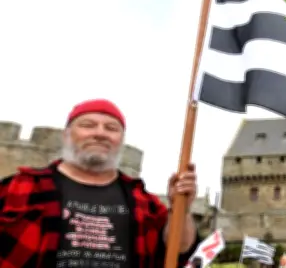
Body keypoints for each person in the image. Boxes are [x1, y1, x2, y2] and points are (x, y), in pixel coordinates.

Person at [0, 99, 202, 268]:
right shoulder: (18, 188)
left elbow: (179, 250)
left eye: (111, 128)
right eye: (88, 125)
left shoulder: (143, 201)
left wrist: (181, 209)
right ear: (66, 135)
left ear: (121, 140)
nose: (100, 133)